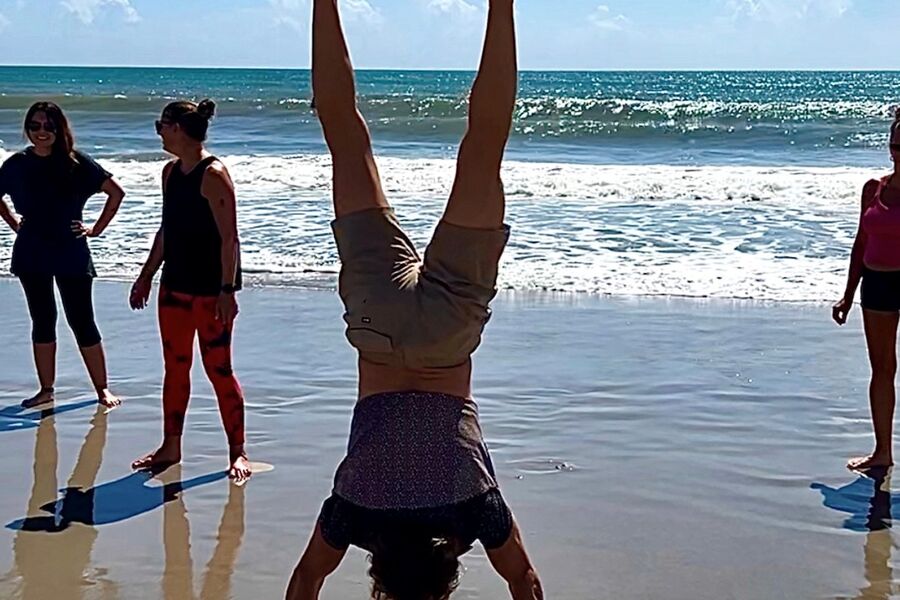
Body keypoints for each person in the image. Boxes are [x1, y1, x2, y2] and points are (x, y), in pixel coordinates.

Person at [286, 1, 543, 599]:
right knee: (346, 137)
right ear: (378, 581)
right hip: (377, 323)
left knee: (485, 144)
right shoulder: (354, 513)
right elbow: (305, 580)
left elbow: (525, 580)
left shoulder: (475, 509)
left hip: (448, 335)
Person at [129, 99, 251, 484]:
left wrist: (227, 290)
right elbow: (167, 230)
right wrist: (146, 274)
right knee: (175, 369)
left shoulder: (213, 174)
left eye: (160, 126)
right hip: (174, 288)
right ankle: (171, 446)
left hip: (210, 293)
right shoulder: (169, 173)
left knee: (219, 371)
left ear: (178, 128)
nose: (159, 132)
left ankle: (237, 451)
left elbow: (230, 239)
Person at [0, 101, 124, 411]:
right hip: (31, 249)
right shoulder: (16, 164)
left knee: (81, 319)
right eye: (35, 126)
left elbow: (116, 192)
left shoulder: (75, 163)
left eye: (48, 126)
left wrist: (95, 229)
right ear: (28, 129)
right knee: (42, 320)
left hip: (70, 249)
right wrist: (14, 222)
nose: (41, 132)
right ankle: (46, 390)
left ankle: (102, 389)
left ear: (59, 129)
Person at [833, 108, 900, 471]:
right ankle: (882, 453)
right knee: (882, 369)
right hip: (875, 283)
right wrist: (847, 294)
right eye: (896, 145)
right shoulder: (874, 189)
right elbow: (861, 243)